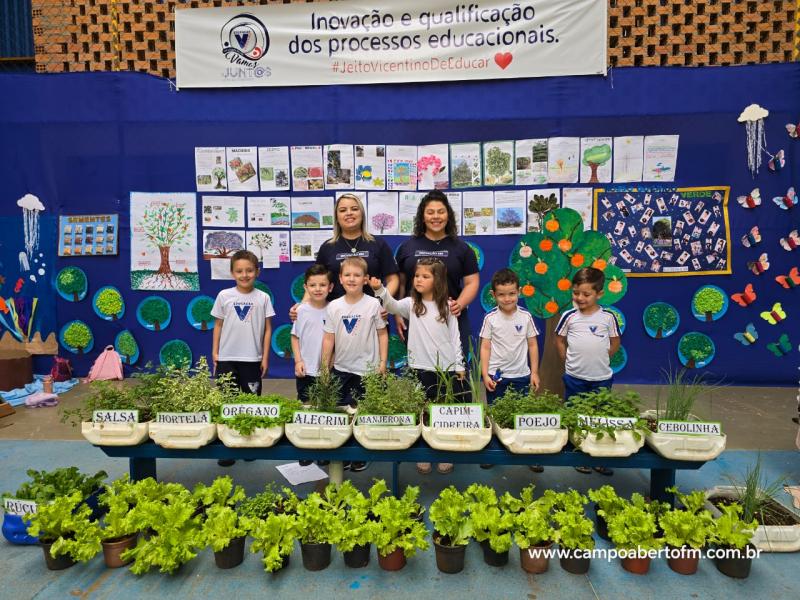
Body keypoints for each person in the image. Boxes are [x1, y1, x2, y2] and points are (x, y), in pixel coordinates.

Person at [370, 258, 465, 475]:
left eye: (425, 276)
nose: (419, 279)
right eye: (417, 275)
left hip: (445, 369)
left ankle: (444, 452)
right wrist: (380, 290)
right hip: (418, 367)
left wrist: (459, 365)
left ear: (438, 280)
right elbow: (391, 305)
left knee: (443, 412)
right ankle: (423, 453)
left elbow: (455, 337)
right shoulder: (411, 304)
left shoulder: (448, 307)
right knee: (421, 410)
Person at [322, 256, 388, 472]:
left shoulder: (373, 305)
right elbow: (329, 338)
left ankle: (361, 452)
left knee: (364, 412)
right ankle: (343, 451)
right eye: (347, 275)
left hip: (367, 370)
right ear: (340, 279)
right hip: (342, 369)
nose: (352, 279)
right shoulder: (333, 306)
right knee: (342, 411)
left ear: (366, 279)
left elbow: (382, 335)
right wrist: (325, 366)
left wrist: (382, 363)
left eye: (357, 275)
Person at [394, 190, 479, 356]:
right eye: (430, 212)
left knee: (456, 370)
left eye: (441, 211)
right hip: (416, 316)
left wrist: (459, 305)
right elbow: (401, 283)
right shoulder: (407, 247)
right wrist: (398, 313)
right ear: (422, 217)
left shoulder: (462, 248)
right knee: (420, 370)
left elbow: (472, 283)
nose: (436, 217)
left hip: (452, 318)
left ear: (448, 215)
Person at [555, 266, 621, 476]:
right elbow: (559, 339)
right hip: (574, 377)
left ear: (599, 294)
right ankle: (576, 454)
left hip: (601, 378)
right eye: (576, 293)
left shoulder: (608, 317)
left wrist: (602, 357)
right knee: (574, 416)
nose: (580, 298)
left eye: (586, 294)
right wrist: (566, 358)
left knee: (598, 418)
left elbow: (615, 342)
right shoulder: (569, 316)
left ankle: (598, 457)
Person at [211, 249, 275, 467]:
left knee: (250, 403)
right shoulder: (224, 296)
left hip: (252, 359)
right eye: (239, 271)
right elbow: (218, 325)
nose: (244, 275)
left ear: (257, 272)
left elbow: (267, 330)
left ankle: (249, 442)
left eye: (249, 270)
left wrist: (264, 357)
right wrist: (215, 352)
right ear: (232, 273)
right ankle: (227, 447)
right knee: (227, 403)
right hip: (227, 357)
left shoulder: (263, 298)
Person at [479, 268, 542, 472]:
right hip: (497, 378)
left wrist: (534, 372)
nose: (507, 299)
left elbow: (532, 344)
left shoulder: (525, 317)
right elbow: (485, 346)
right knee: (496, 415)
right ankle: (493, 452)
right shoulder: (490, 319)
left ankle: (527, 451)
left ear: (519, 292)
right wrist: (485, 374)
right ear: (493, 295)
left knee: (521, 415)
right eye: (502, 294)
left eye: (512, 293)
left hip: (522, 376)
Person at [290, 264, 333, 402]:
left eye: (322, 285)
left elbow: (337, 341)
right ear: (306, 288)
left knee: (327, 404)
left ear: (330, 287)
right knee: (305, 404)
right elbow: (295, 337)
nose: (318, 289)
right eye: (313, 285)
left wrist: (330, 366)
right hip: (305, 369)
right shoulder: (301, 311)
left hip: (328, 370)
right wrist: (298, 361)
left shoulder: (334, 310)